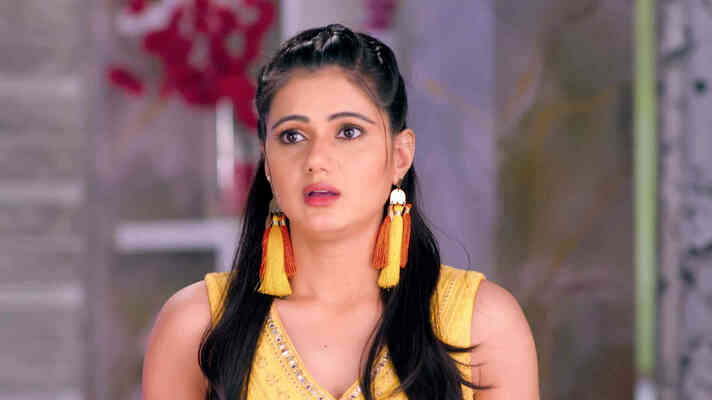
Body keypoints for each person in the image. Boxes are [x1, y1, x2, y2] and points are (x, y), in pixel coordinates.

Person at [142, 24, 539, 400]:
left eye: (348, 132)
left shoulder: (482, 324)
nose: (316, 159)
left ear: (400, 156)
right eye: (292, 136)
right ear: (268, 164)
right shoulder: (196, 326)